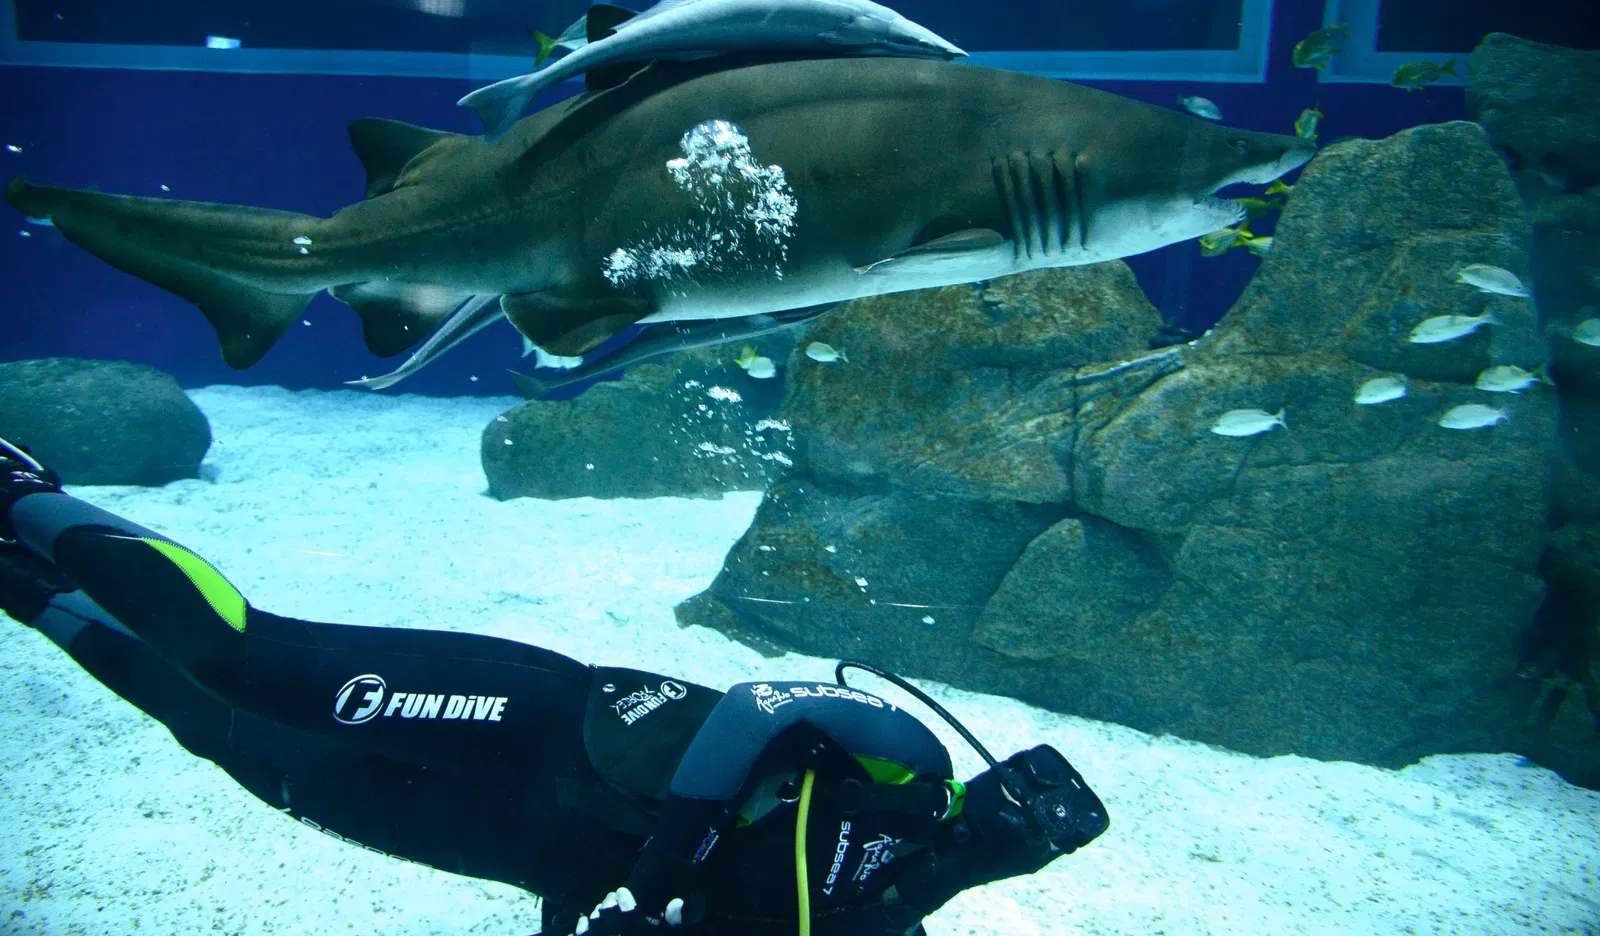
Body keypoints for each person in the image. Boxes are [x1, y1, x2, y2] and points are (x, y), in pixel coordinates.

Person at [0, 436, 1107, 935]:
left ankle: (20, 584)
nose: (1029, 822)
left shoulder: (881, 923)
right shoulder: (913, 769)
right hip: (551, 725)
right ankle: (22, 494)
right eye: (1039, 800)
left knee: (216, 728)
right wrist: (681, 849)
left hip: (515, 838)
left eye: (1045, 824)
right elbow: (761, 706)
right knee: (244, 659)